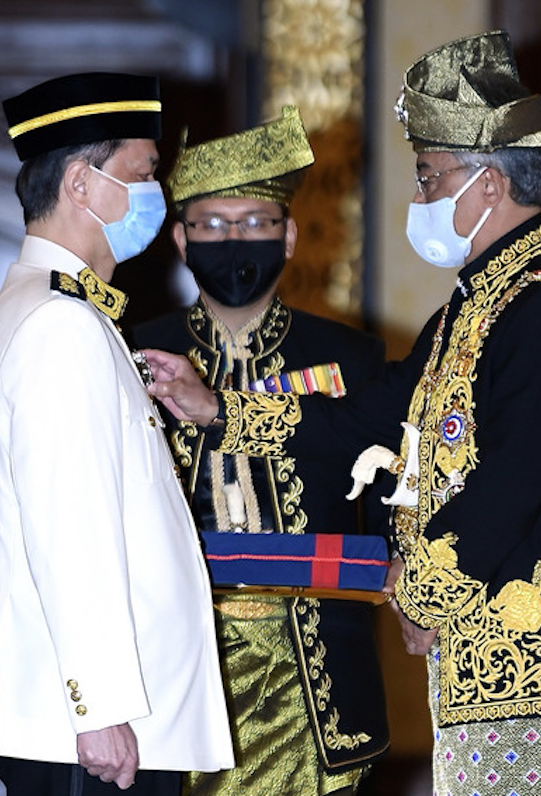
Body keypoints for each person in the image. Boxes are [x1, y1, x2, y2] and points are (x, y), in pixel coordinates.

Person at [145, 32, 541, 796]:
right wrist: (218, 410)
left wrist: (420, 591)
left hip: (538, 662)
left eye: (430, 176)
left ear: (487, 185)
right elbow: (363, 419)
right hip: (477, 660)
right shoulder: (470, 311)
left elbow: (513, 482)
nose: (421, 197)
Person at [0, 72, 233, 796]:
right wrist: (100, 706)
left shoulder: (64, 310)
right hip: (95, 729)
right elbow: (68, 525)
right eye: (142, 175)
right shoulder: (60, 324)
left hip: (93, 721)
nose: (157, 194)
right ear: (81, 184)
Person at [133, 105, 390, 796]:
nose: (234, 240)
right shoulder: (136, 352)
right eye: (212, 225)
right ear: (181, 240)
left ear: (289, 235)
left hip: (316, 669)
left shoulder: (352, 358)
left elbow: (392, 501)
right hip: (179, 661)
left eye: (254, 223)